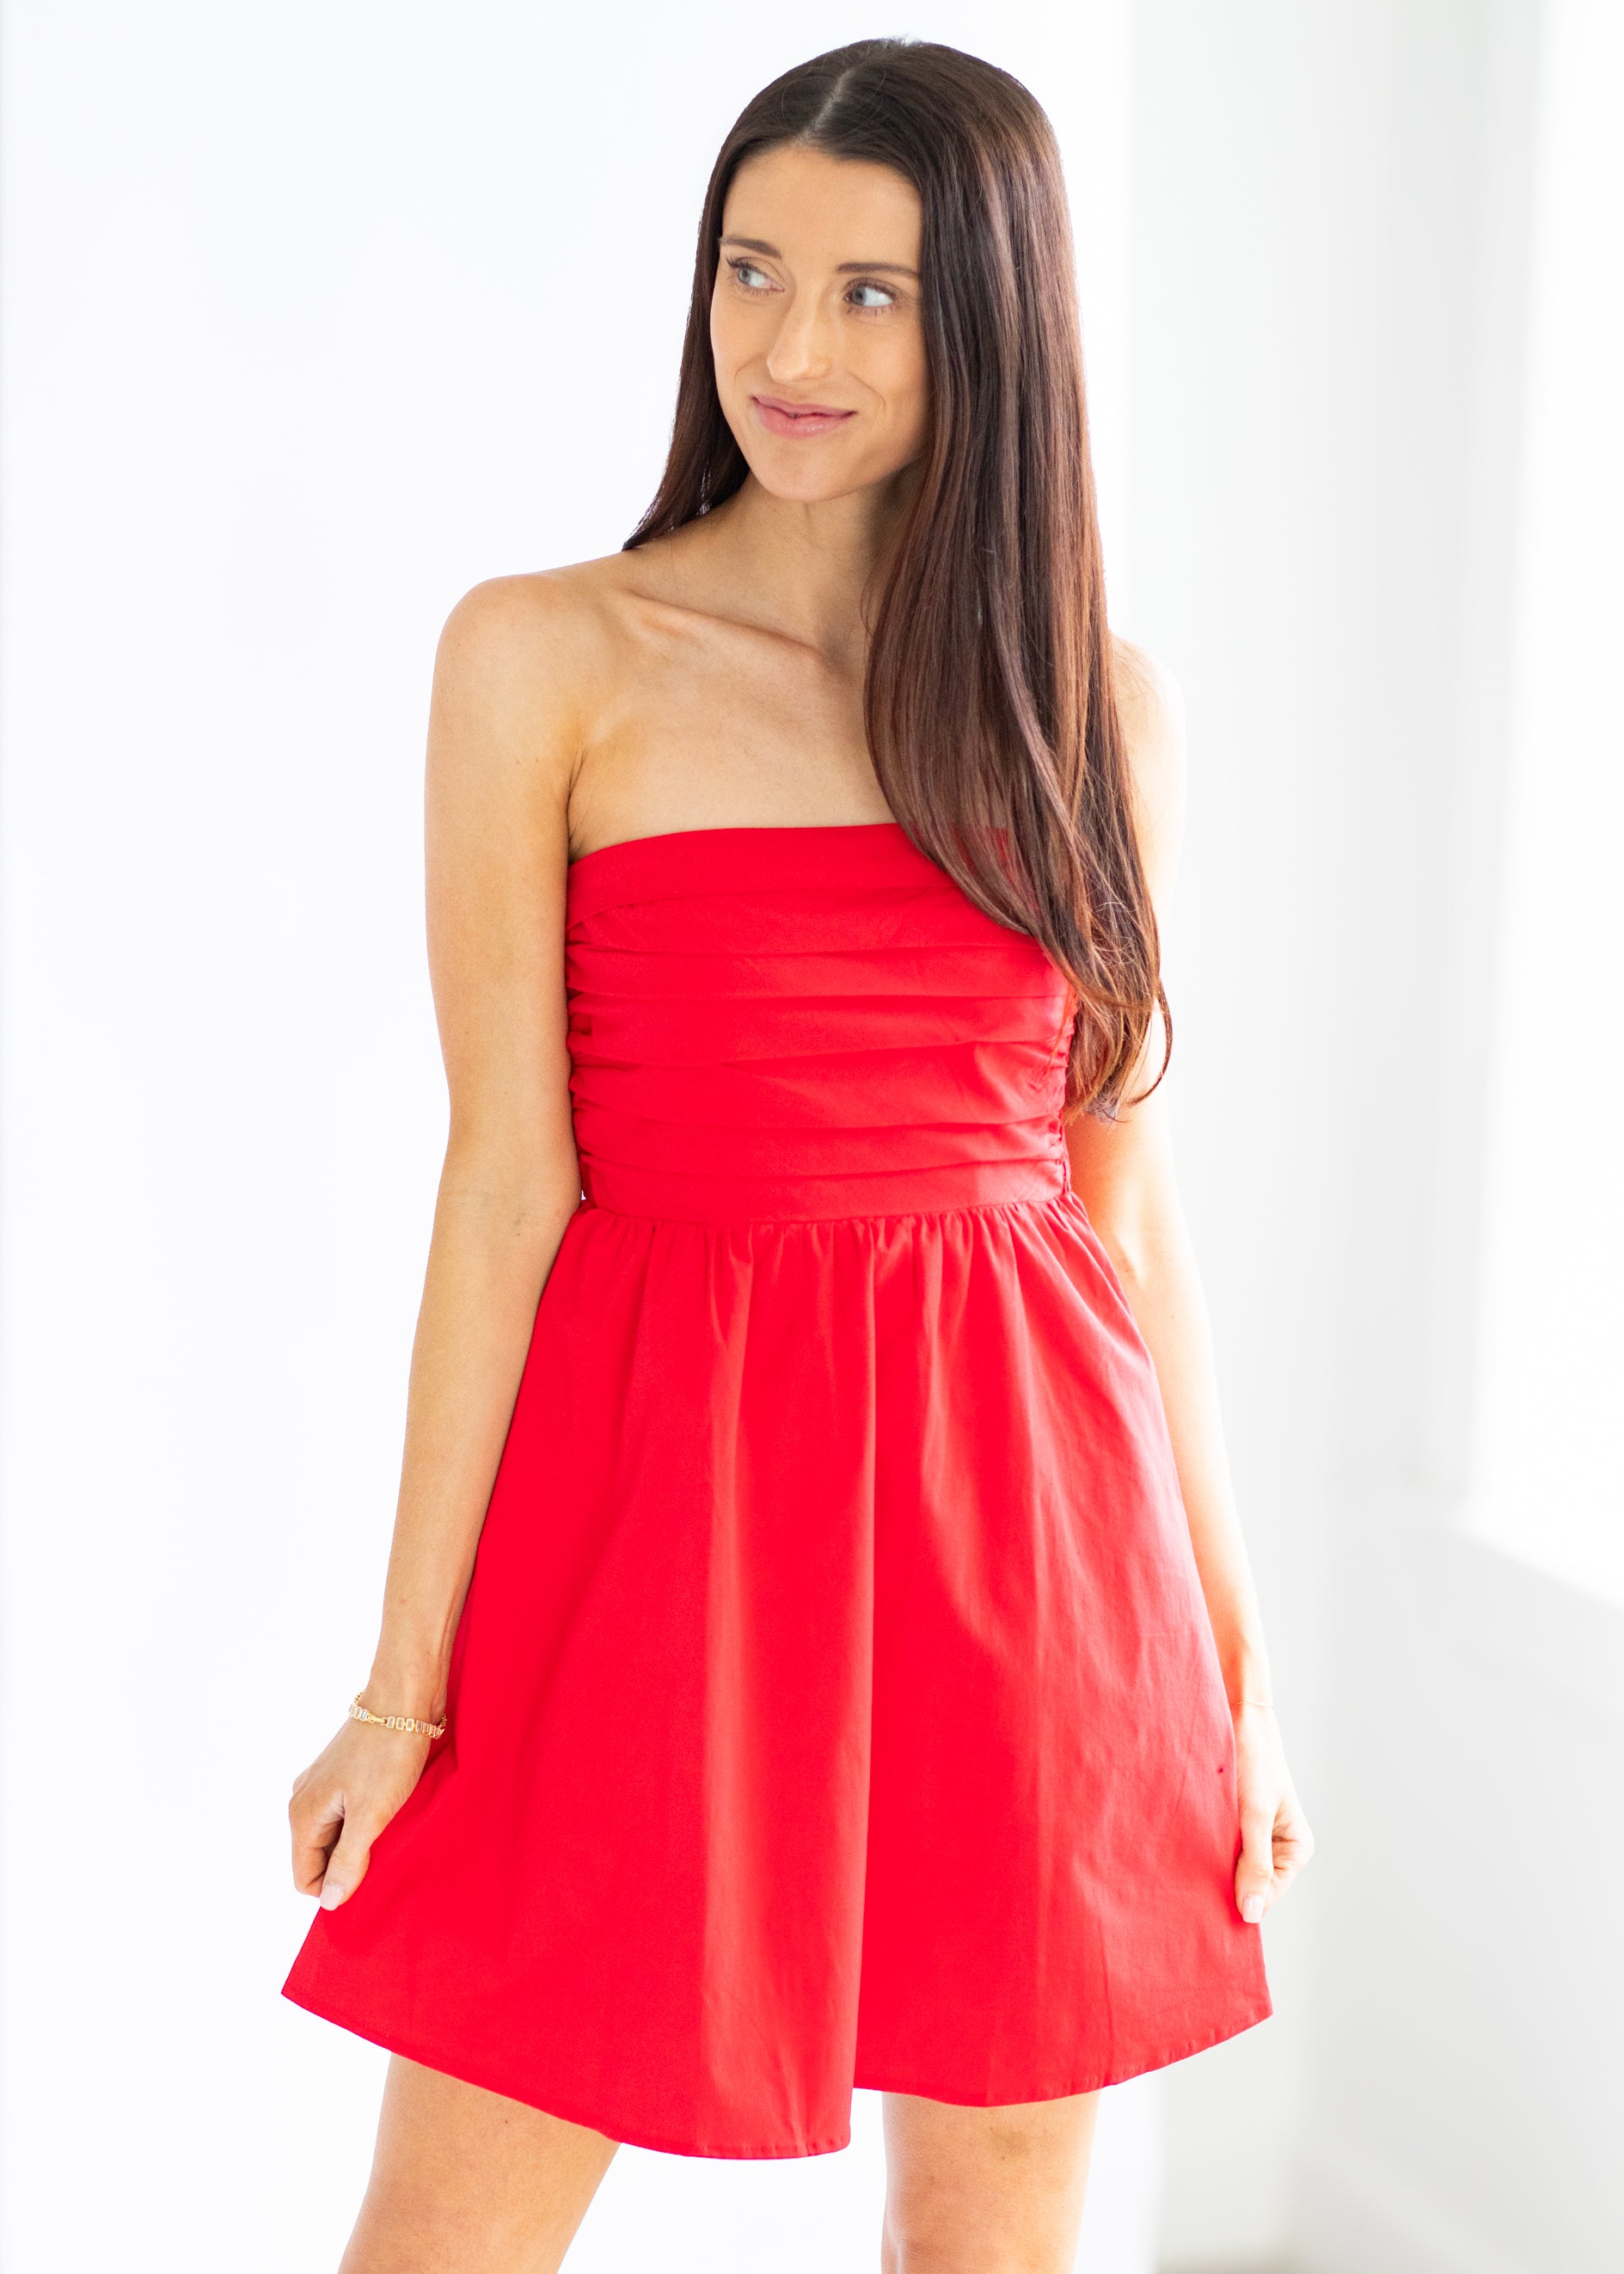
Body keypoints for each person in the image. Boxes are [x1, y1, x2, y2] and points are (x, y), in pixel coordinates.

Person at [284, 38, 1313, 2274]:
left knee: (999, 2209)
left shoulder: (1091, 705)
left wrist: (1232, 1674)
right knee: (450, 2215)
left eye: (872, 293)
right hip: (652, 1510)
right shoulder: (552, 654)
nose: (783, 346)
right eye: (753, 271)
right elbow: (500, 1191)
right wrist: (403, 1686)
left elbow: (1126, 1221)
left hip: (1023, 1534)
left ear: (996, 326)